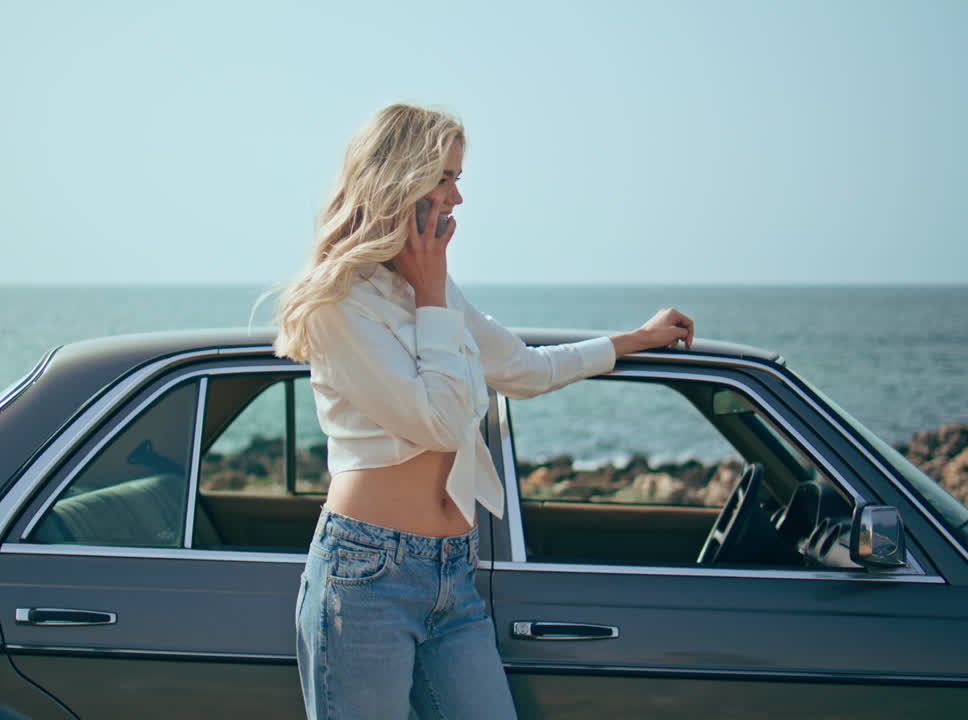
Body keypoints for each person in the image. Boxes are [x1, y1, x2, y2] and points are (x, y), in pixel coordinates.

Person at [273, 103, 694, 720]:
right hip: (367, 578)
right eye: (445, 178)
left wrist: (633, 340)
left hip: (453, 574)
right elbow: (439, 422)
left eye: (458, 179)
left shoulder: (429, 291)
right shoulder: (340, 305)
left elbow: (524, 369)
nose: (458, 199)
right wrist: (432, 289)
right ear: (400, 181)